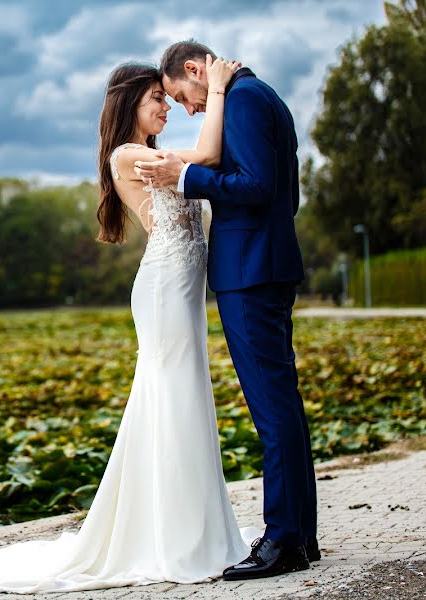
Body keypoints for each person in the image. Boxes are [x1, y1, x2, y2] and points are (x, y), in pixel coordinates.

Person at [0, 56, 263, 595]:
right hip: (165, 290)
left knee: (184, 396)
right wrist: (215, 90)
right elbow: (210, 156)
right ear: (130, 106)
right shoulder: (130, 155)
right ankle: (175, 535)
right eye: (156, 100)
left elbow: (206, 169)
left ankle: (189, 526)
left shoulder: (152, 153)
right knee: (172, 396)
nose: (166, 106)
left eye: (166, 99)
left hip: (184, 291)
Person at [135, 39, 318, 580]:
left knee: (272, 409)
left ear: (194, 70)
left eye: (181, 96)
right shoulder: (262, 97)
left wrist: (185, 178)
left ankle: (284, 541)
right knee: (282, 404)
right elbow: (289, 194)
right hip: (267, 264)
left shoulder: (240, 101)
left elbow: (258, 187)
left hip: (251, 272)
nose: (191, 110)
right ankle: (301, 536)